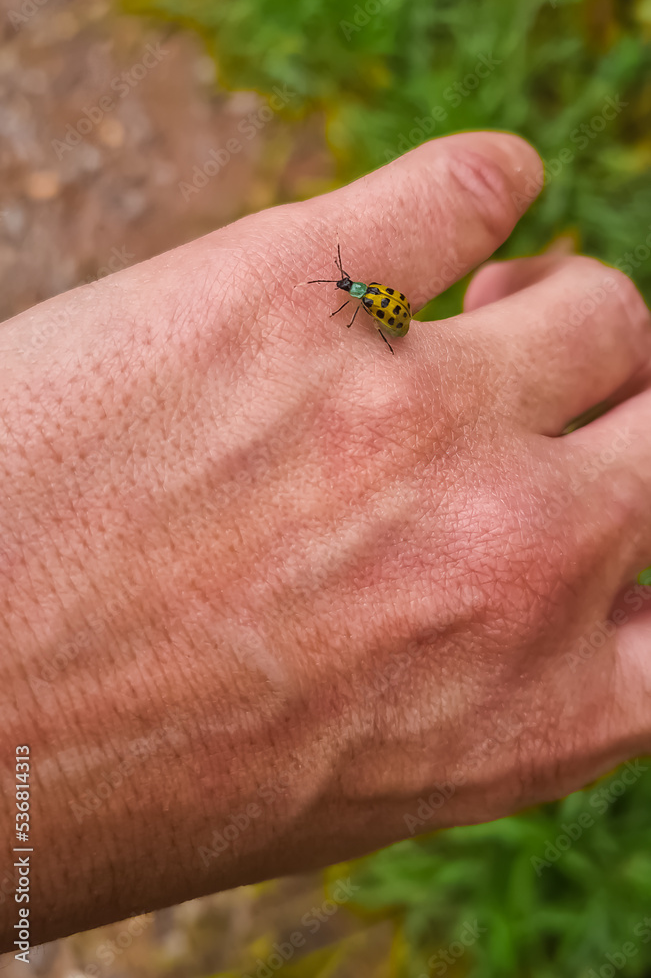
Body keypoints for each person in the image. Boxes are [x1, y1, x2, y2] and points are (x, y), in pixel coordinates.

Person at [1, 131, 650, 953]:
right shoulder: (362, 300)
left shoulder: (368, 302)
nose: (354, 293)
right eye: (353, 290)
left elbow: (382, 315)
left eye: (355, 288)